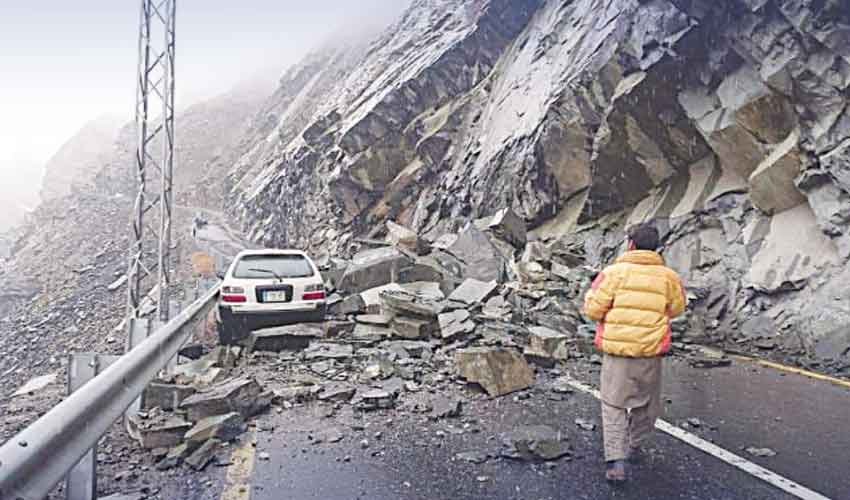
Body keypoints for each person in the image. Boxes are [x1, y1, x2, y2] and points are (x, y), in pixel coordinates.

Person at [583, 223, 686, 482]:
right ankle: (635, 445)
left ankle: (616, 463)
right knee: (646, 403)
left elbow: (593, 310)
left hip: (618, 351)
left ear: (630, 244)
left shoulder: (612, 273)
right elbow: (677, 308)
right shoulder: (669, 277)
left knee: (613, 404)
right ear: (656, 247)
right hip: (650, 352)